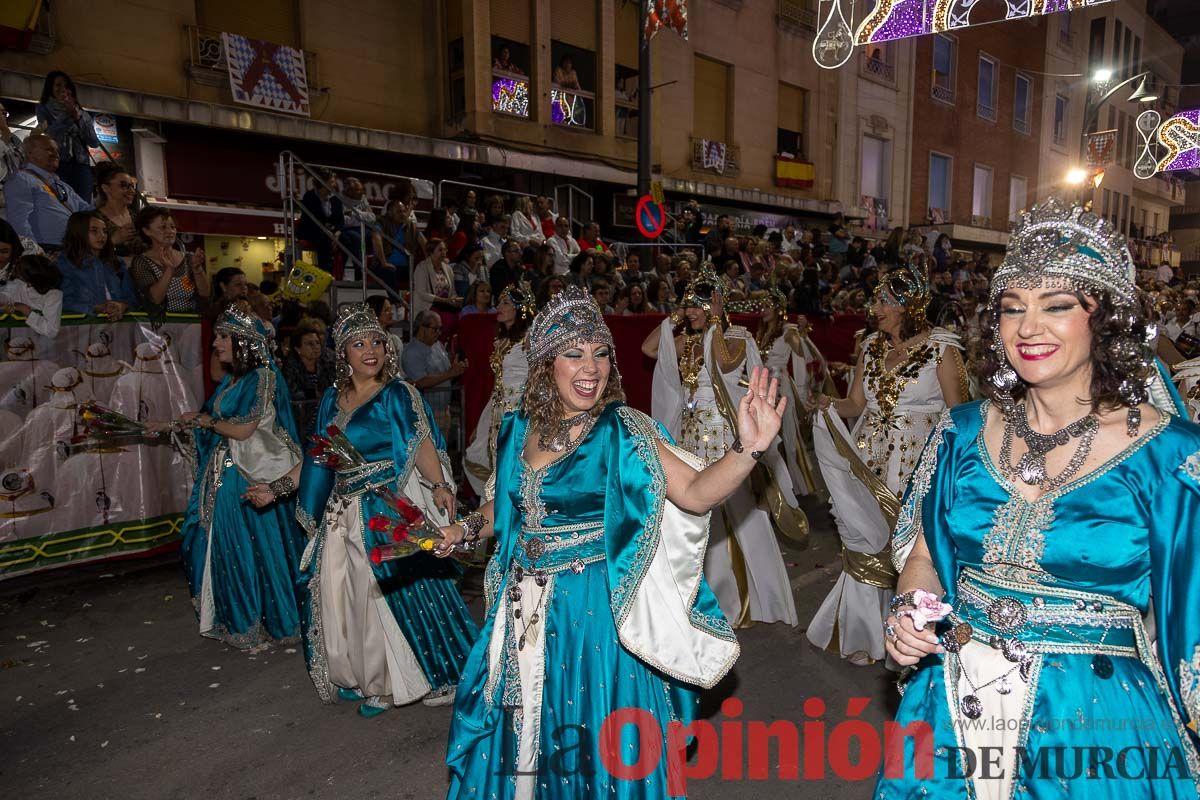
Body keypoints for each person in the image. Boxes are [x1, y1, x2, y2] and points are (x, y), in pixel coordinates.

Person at [876, 198, 1200, 797]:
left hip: (1094, 727)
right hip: (951, 705)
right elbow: (924, 555)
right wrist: (911, 612)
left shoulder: (1171, 455)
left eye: (1057, 306)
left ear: (1104, 321)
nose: (1028, 328)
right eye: (1012, 308)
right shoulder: (961, 432)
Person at [443, 286, 792, 797]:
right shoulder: (517, 429)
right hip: (521, 610)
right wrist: (466, 530)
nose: (591, 368)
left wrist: (746, 450)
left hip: (594, 619)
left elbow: (695, 494)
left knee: (594, 740)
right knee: (524, 739)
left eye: (600, 353)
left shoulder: (621, 429)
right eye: (574, 353)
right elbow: (506, 507)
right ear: (545, 364)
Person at [292, 304, 478, 716]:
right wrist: (279, 488)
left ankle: (386, 682)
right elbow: (317, 456)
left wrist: (441, 485)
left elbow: (420, 442)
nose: (370, 350)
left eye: (376, 341)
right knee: (345, 595)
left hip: (382, 506)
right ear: (343, 353)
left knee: (380, 595)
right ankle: (358, 675)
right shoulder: (330, 399)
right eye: (358, 344)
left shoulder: (397, 393)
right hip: (341, 510)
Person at [805, 264, 966, 667]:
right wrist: (829, 404)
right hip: (869, 459)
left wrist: (954, 472)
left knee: (911, 551)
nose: (874, 307)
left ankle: (911, 636)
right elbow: (856, 404)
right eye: (875, 299)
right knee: (862, 539)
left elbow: (961, 415)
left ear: (909, 304)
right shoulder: (871, 346)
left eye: (884, 300)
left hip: (918, 464)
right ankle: (864, 630)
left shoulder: (942, 349)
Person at [641, 269, 806, 627]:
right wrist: (675, 316)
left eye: (699, 305)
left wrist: (715, 320)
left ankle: (762, 596)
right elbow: (648, 348)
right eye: (690, 305)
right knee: (698, 517)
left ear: (716, 305)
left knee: (743, 514)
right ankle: (710, 597)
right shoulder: (685, 341)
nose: (693, 312)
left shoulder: (735, 337)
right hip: (688, 439)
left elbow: (726, 365)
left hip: (724, 439)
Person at [169, 306, 305, 650]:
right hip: (227, 472)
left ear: (243, 343)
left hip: (249, 473)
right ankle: (239, 618)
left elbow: (243, 430)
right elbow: (215, 416)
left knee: (244, 548)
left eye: (223, 337)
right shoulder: (235, 379)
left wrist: (205, 423)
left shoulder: (263, 377)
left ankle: (253, 619)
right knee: (225, 545)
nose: (215, 343)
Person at [752, 290, 826, 498]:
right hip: (762, 388)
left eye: (768, 306)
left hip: (779, 388)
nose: (763, 310)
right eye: (761, 306)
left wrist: (801, 334)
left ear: (778, 309)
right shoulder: (761, 332)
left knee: (783, 436)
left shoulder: (787, 331)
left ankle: (786, 485)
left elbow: (806, 354)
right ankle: (771, 484)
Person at [463, 283, 534, 496]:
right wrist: (482, 421)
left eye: (505, 303)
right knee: (479, 454)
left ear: (519, 309)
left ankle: (510, 506)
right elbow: (498, 382)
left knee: (512, 458)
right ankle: (494, 503)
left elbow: (539, 375)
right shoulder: (502, 341)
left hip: (519, 408)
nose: (498, 307)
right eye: (499, 302)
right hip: (497, 407)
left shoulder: (529, 338)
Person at [3, 133, 93, 248]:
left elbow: (86, 210)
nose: (55, 154)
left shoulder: (64, 186)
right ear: (30, 153)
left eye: (56, 150)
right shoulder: (22, 179)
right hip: (45, 251)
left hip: (72, 250)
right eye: (49, 149)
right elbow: (18, 221)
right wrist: (33, 253)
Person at [56, 211, 138, 318]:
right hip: (83, 328)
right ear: (79, 232)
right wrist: (97, 308)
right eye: (94, 231)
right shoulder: (65, 263)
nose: (102, 236)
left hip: (119, 328)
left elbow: (133, 300)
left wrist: (122, 306)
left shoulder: (117, 263)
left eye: (105, 231)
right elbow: (64, 302)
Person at [129, 207, 210, 314]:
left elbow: (205, 294)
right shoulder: (141, 261)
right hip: (158, 327)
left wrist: (197, 269)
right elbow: (155, 299)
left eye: (172, 227)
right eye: (163, 227)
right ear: (147, 231)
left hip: (190, 324)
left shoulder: (188, 259)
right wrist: (169, 270)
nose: (170, 231)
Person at [35, 71, 100, 201]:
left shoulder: (83, 114)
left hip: (81, 165)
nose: (62, 89)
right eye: (58, 85)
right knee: (61, 203)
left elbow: (94, 142)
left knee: (83, 203)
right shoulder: (43, 109)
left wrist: (77, 117)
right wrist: (68, 115)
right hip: (57, 164)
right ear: (51, 88)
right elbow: (51, 134)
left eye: (66, 86)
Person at [402, 311, 466, 437]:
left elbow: (447, 372)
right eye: (435, 329)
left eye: (440, 329)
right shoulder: (411, 352)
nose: (439, 333)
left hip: (444, 410)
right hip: (425, 413)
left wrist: (457, 368)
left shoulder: (438, 345)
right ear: (421, 328)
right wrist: (450, 373)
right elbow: (421, 381)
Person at [281, 317, 336, 439]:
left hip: (326, 417)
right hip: (299, 421)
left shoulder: (329, 362)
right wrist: (312, 394)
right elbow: (290, 394)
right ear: (298, 349)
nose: (316, 347)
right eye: (310, 344)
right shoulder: (290, 366)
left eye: (317, 343)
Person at [0, 254, 63, 348]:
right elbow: (5, 295)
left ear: (30, 281)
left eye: (20, 275)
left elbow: (51, 331)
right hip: (18, 342)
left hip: (46, 345)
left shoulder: (54, 294)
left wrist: (26, 310)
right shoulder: (18, 284)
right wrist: (3, 307)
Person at [296, 168, 345, 271]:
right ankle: (325, 269)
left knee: (348, 239)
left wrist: (338, 232)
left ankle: (346, 271)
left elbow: (340, 219)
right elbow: (310, 219)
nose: (334, 184)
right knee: (323, 239)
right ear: (322, 182)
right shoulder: (309, 196)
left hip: (331, 231)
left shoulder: (336, 198)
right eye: (331, 182)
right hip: (312, 229)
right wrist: (327, 231)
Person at [92, 162, 140, 258]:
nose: (132, 191)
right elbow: (87, 254)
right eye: (124, 185)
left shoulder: (137, 217)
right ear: (106, 188)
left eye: (132, 186)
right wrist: (113, 240)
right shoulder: (93, 219)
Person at [411, 239, 460, 322]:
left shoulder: (448, 268)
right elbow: (422, 293)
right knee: (448, 319)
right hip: (427, 306)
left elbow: (453, 292)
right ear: (431, 252)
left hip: (444, 306)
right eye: (440, 250)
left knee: (459, 316)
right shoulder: (422, 267)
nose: (444, 252)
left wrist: (454, 300)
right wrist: (443, 300)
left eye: (445, 249)